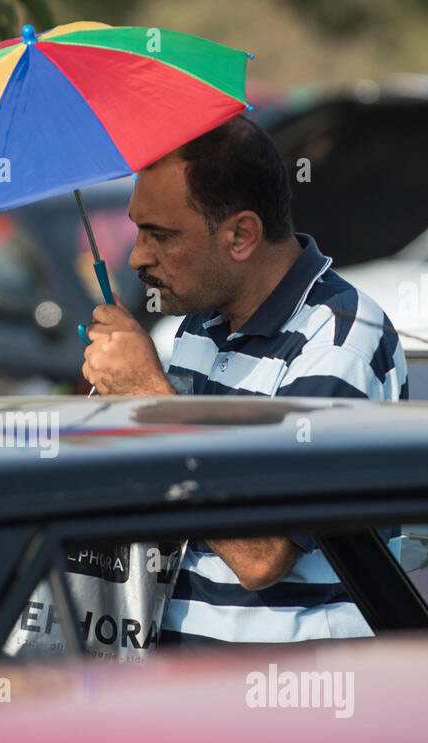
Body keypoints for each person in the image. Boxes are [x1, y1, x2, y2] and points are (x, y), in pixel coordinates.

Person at [80, 115, 408, 644]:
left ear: (241, 235)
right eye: (139, 230)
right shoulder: (199, 323)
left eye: (160, 234)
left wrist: (147, 392)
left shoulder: (339, 340)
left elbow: (261, 554)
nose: (139, 256)